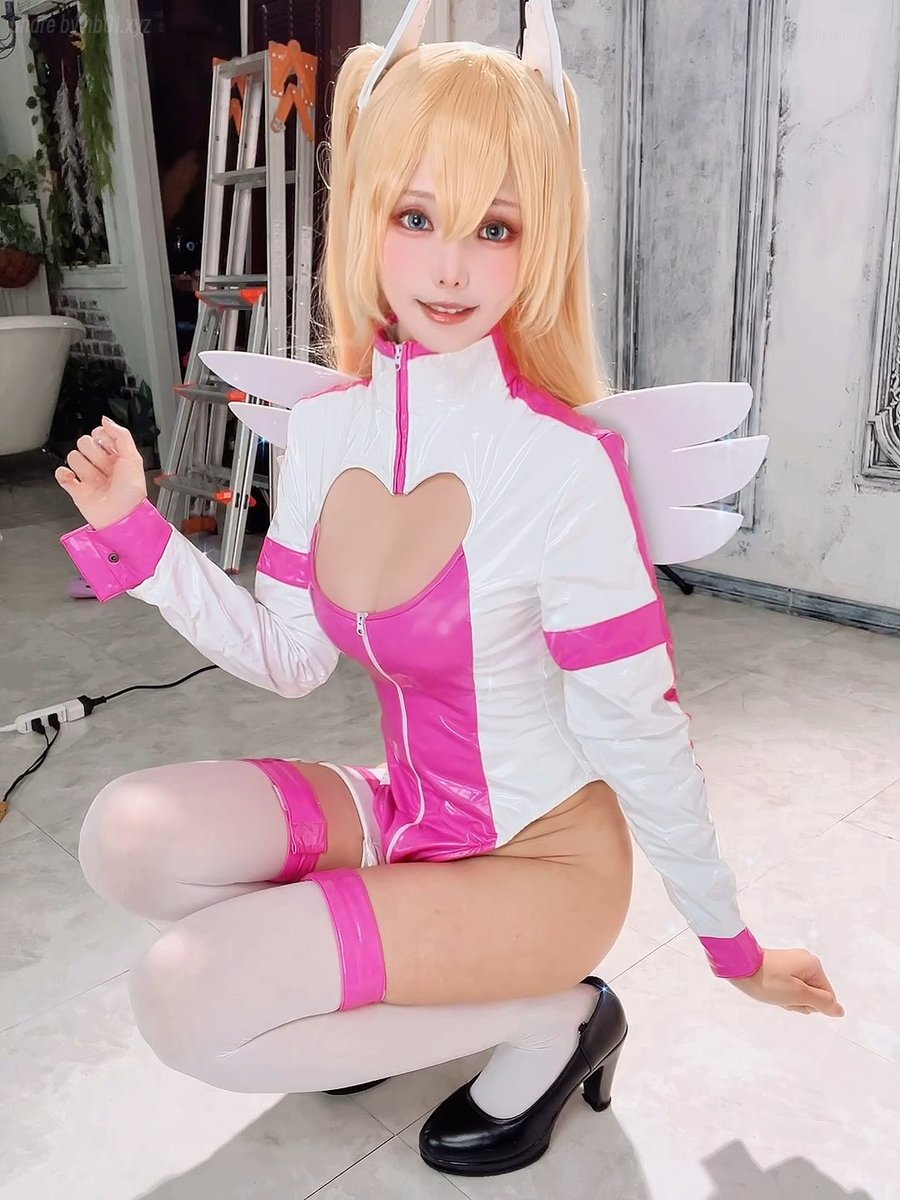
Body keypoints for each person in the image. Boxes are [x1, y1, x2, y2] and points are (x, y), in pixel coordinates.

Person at [55, 0, 843, 1178]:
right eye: (416, 215)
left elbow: (643, 734)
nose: (452, 265)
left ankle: (558, 1018)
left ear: (542, 241)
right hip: (405, 812)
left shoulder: (562, 466)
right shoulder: (326, 432)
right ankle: (391, 975)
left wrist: (734, 950)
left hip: (542, 866)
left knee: (185, 997)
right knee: (127, 838)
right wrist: (142, 538)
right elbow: (293, 661)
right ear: (368, 213)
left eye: (497, 226)